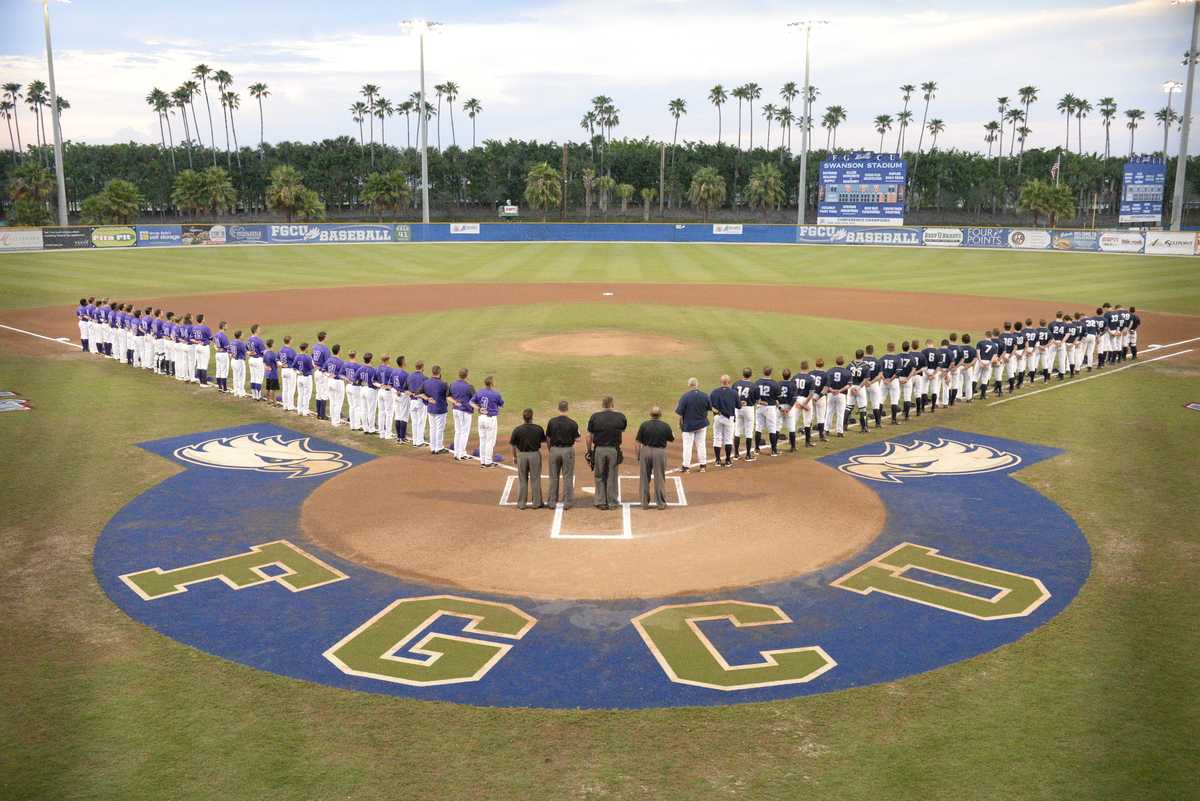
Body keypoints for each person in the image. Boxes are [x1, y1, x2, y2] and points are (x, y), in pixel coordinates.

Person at [587, 396, 627, 510]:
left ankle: (600, 501)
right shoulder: (620, 417)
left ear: (602, 405)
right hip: (613, 450)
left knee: (599, 475)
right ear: (612, 404)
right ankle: (612, 502)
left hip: (599, 449)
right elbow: (622, 429)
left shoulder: (595, 417)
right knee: (612, 476)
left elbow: (589, 436)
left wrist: (589, 451)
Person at [636, 406, 674, 510]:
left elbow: (638, 442)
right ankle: (660, 503)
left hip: (646, 451)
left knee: (644, 478)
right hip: (659, 452)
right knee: (659, 478)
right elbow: (671, 439)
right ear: (660, 415)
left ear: (650, 414)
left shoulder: (644, 425)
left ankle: (644, 503)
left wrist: (638, 456)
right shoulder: (665, 426)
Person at [509, 409, 546, 510]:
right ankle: (537, 503)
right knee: (535, 479)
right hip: (534, 455)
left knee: (522, 480)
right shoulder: (538, 428)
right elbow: (544, 441)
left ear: (523, 417)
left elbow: (513, 445)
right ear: (532, 417)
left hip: (521, 456)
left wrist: (515, 457)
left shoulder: (517, 429)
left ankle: (521, 504)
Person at [546, 400, 580, 507]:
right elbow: (578, 439)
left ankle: (552, 502)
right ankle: (567, 502)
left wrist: (550, 449)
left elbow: (548, 438)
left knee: (553, 476)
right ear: (567, 409)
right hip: (567, 450)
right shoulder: (573, 423)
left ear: (558, 408)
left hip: (554, 450)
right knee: (568, 476)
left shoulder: (552, 422)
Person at [675, 378, 711, 472]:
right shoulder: (705, 395)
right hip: (702, 425)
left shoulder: (685, 397)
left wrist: (680, 424)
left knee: (687, 446)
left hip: (688, 426)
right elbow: (710, 408)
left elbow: (679, 413)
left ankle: (686, 467)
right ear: (697, 384)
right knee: (701, 445)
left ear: (689, 385)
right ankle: (703, 466)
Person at [471, 376, 504, 467]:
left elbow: (471, 402)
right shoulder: (496, 394)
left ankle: (483, 461)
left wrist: (479, 408)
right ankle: (488, 462)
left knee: (482, 440)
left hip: (481, 418)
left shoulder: (479, 392)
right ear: (492, 383)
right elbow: (501, 405)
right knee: (490, 441)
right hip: (490, 419)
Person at [708, 375, 738, 466]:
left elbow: (710, 405)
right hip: (729, 418)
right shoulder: (734, 392)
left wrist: (716, 411)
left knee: (717, 438)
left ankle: (717, 460)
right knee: (728, 439)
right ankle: (728, 460)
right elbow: (739, 406)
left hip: (717, 417)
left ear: (721, 382)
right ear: (729, 382)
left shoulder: (714, 392)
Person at [449, 368, 476, 460]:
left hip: (455, 410)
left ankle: (456, 453)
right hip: (465, 411)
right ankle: (462, 454)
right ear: (467, 375)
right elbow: (475, 399)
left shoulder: (453, 384)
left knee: (458, 431)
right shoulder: (469, 386)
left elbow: (448, 396)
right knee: (464, 432)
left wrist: (455, 402)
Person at [422, 365, 450, 454]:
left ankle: (433, 447)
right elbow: (448, 395)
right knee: (439, 429)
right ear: (439, 372)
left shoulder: (426, 382)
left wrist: (427, 399)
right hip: (440, 409)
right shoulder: (443, 384)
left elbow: (418, 394)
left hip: (430, 409)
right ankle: (439, 447)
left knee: (432, 428)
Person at [732, 368, 758, 461]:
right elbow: (757, 400)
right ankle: (748, 455)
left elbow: (732, 397)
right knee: (749, 431)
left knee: (737, 430)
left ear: (743, 374)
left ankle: (736, 454)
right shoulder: (754, 386)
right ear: (750, 375)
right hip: (749, 409)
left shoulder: (736, 384)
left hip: (737, 408)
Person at [406, 361, 428, 447]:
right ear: (422, 367)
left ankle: (415, 441)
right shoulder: (424, 378)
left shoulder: (410, 376)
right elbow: (427, 391)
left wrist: (411, 393)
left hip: (412, 401)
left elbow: (405, 390)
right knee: (421, 422)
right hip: (420, 402)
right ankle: (420, 442)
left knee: (414, 422)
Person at [375, 355, 396, 441]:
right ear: (388, 360)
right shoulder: (391, 370)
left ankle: (381, 433)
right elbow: (394, 383)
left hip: (380, 391)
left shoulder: (378, 368)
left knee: (381, 412)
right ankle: (388, 434)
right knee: (389, 413)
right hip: (387, 393)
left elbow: (374, 381)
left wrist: (380, 385)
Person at [325, 345, 345, 426]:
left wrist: (329, 375)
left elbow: (323, 369)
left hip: (329, 381)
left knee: (332, 401)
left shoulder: (328, 360)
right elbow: (342, 375)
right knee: (338, 402)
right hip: (338, 383)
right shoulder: (340, 362)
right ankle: (336, 421)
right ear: (339, 351)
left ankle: (333, 419)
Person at [312, 331, 331, 420]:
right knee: (324, 393)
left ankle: (318, 414)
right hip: (323, 373)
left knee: (318, 392)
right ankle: (322, 415)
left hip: (316, 372)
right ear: (324, 337)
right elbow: (328, 363)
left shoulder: (314, 347)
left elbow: (312, 358)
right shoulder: (325, 349)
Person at [294, 342, 314, 416]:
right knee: (307, 394)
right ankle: (305, 411)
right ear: (305, 348)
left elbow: (294, 367)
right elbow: (311, 368)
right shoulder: (308, 357)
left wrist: (298, 371)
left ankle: (299, 410)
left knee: (300, 394)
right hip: (306, 378)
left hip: (299, 377)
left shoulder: (297, 356)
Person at [247, 324, 266, 400]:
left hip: (251, 360)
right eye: (259, 329)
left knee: (253, 377)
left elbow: (246, 350)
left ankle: (254, 395)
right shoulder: (259, 340)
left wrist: (249, 353)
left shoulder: (249, 339)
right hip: (258, 360)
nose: (260, 330)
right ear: (256, 330)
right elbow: (264, 352)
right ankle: (258, 396)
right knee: (259, 378)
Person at [278, 335, 297, 410]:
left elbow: (277, 359)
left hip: (283, 370)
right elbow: (296, 361)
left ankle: (285, 405)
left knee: (285, 388)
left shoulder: (281, 349)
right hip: (290, 371)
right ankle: (290, 406)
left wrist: (281, 364)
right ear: (290, 341)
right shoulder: (291, 351)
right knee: (291, 389)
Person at [228, 329, 248, 398]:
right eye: (242, 334)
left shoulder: (231, 342)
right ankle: (241, 393)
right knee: (241, 377)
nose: (243, 335)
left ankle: (236, 391)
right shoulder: (240, 343)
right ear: (240, 335)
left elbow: (229, 351)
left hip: (233, 361)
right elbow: (245, 352)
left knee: (235, 376)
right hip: (239, 361)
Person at [213, 321, 230, 392]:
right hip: (223, 354)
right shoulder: (223, 336)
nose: (227, 326)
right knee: (224, 371)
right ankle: (225, 388)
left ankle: (220, 387)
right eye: (226, 325)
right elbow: (227, 347)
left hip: (217, 354)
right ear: (223, 327)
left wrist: (216, 348)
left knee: (218, 370)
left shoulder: (216, 334)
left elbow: (214, 344)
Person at [262, 339, 280, 404]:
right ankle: (274, 402)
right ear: (272, 344)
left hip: (268, 374)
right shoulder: (273, 354)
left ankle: (268, 400)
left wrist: (266, 367)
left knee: (268, 388)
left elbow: (264, 362)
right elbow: (277, 365)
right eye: (274, 343)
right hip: (273, 373)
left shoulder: (266, 353)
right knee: (273, 389)